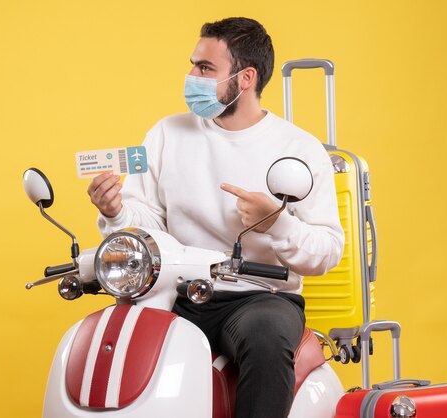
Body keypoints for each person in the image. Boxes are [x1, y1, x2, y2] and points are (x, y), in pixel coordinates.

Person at [87, 17, 344, 418]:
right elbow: (149, 223)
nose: (191, 76)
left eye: (205, 69)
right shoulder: (166, 133)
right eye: (193, 64)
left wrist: (276, 223)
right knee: (112, 338)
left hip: (257, 297)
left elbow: (328, 250)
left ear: (246, 78)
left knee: (265, 338)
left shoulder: (299, 148)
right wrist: (117, 212)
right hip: (175, 291)